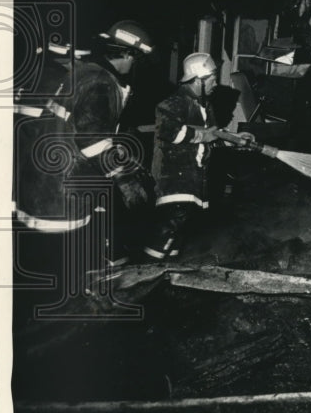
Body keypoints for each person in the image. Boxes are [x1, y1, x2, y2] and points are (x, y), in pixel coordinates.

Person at [12, 20, 154, 326]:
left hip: (40, 184)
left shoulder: (81, 72)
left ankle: (36, 321)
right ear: (129, 55)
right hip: (64, 190)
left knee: (40, 263)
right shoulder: (102, 81)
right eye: (136, 58)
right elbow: (92, 139)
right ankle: (58, 328)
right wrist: (125, 177)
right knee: (61, 270)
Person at [143, 52, 249, 261]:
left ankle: (165, 272)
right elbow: (169, 131)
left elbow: (213, 134)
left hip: (192, 178)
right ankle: (144, 271)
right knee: (170, 227)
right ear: (198, 80)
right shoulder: (175, 102)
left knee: (178, 232)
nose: (216, 84)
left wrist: (236, 138)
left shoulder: (204, 106)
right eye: (212, 79)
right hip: (173, 178)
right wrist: (203, 135)